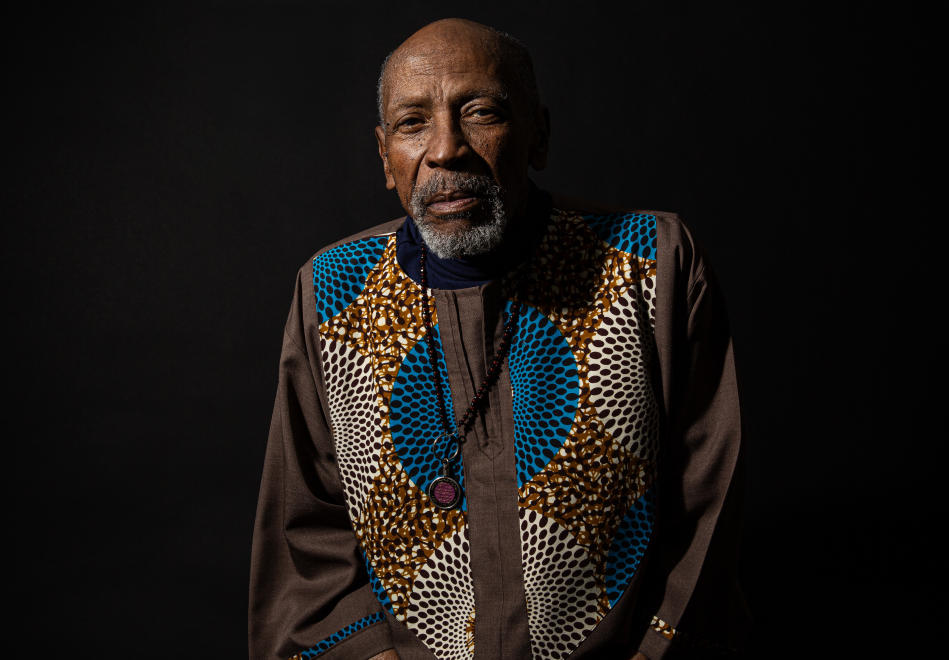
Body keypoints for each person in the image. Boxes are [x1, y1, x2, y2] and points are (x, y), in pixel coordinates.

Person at [249, 17, 748, 660]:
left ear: (538, 134)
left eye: (480, 112)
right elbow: (305, 532)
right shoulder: (330, 290)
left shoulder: (655, 263)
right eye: (412, 123)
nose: (446, 148)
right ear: (384, 157)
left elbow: (709, 507)